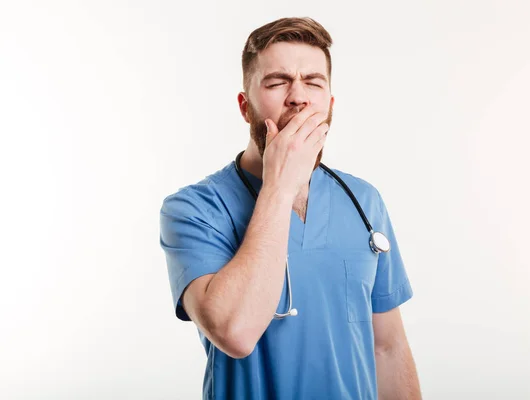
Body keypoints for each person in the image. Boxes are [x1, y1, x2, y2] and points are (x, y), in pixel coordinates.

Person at [159, 16, 422, 400]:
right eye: (278, 81)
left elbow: (387, 347)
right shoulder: (193, 209)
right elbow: (235, 333)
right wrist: (279, 188)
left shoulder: (364, 201)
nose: (298, 96)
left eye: (313, 82)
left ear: (329, 105)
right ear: (245, 106)